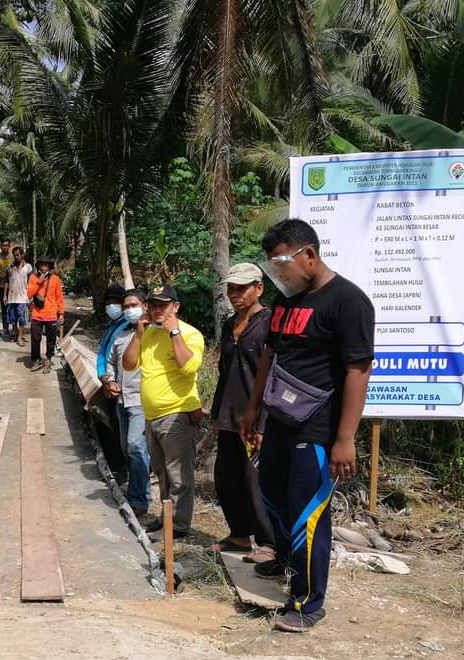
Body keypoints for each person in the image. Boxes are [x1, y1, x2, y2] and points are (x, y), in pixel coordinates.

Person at [241, 219, 374, 633]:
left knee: (308, 514)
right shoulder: (286, 303)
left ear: (309, 255)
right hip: (280, 419)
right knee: (269, 491)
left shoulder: (348, 301)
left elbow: (358, 370)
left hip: (318, 429)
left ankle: (307, 602)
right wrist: (253, 409)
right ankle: (284, 557)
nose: (278, 276)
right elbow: (269, 356)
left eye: (282, 266)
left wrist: (345, 438)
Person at [121, 284, 205, 543]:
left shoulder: (190, 334)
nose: (157, 310)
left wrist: (174, 332)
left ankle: (179, 526)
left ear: (175, 307)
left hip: (177, 414)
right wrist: (138, 334)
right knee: (161, 471)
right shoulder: (148, 334)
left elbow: (188, 367)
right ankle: (168, 517)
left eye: (163, 305)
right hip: (152, 414)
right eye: (153, 305)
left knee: (179, 474)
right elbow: (128, 363)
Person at [208, 263, 273, 559]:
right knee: (226, 477)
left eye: (241, 288)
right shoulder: (229, 324)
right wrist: (217, 414)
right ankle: (238, 535)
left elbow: (272, 375)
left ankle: (269, 542)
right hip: (228, 415)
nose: (234, 294)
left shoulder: (269, 323)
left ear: (258, 288)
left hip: (255, 417)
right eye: (231, 288)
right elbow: (224, 371)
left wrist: (263, 423)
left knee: (256, 481)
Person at [106, 289, 151, 519]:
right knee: (128, 448)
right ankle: (138, 489)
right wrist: (111, 380)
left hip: (142, 401)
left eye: (133, 305)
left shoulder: (154, 334)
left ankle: (140, 499)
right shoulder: (121, 335)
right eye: (125, 306)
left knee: (135, 446)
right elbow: (111, 362)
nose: (128, 310)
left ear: (144, 306)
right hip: (122, 399)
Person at [27, 255, 64, 372]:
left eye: (46, 265)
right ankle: (36, 360)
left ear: (49, 266)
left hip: (51, 314)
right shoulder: (33, 278)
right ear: (38, 266)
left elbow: (59, 298)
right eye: (42, 265)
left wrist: (61, 313)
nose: (44, 267)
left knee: (51, 339)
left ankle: (48, 359)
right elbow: (29, 294)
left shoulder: (56, 279)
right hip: (36, 314)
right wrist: (39, 282)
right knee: (35, 338)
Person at [5, 246, 31, 345]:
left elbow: (30, 282)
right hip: (12, 297)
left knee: (21, 318)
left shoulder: (28, 267)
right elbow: (7, 281)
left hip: (23, 297)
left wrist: (30, 295)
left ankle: (20, 337)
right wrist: (5, 295)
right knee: (12, 318)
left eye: (18, 255)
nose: (16, 257)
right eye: (14, 255)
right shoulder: (10, 267)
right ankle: (16, 333)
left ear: (22, 255)